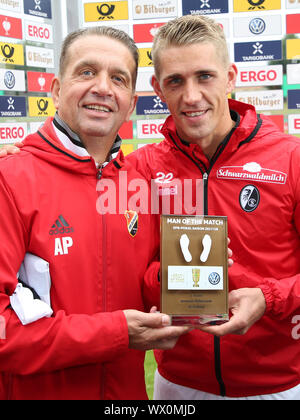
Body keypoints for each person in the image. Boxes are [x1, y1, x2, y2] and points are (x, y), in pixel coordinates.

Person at [0, 26, 189, 400]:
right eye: (87, 72)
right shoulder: (11, 178)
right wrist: (115, 333)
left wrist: (186, 280)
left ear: (131, 103)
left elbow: (143, 281)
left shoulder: (140, 183)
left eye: (117, 78)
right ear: (54, 90)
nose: (102, 87)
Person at [126, 15, 300, 400]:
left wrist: (269, 298)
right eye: (175, 81)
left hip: (277, 385)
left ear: (230, 76)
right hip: (179, 385)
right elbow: (123, 270)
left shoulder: (291, 160)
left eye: (204, 76)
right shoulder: (141, 168)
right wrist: (168, 278)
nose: (191, 96)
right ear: (157, 88)